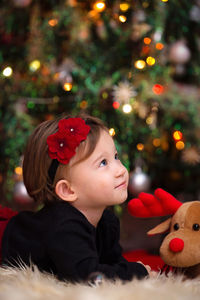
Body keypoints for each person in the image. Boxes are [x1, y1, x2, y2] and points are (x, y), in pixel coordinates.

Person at [2, 114, 150, 283]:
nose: (121, 170)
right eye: (103, 163)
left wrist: (128, 270)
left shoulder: (107, 221)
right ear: (67, 190)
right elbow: (84, 275)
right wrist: (137, 271)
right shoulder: (64, 225)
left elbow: (111, 263)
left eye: (115, 157)